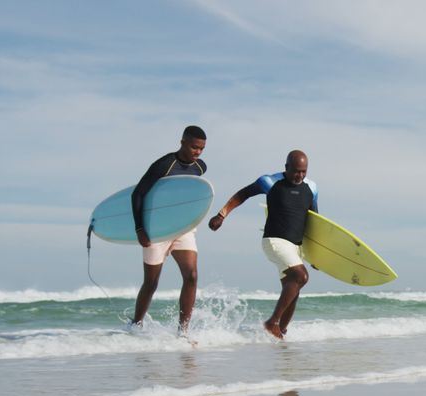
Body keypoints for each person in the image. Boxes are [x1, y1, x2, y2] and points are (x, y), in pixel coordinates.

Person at [208, 150, 318, 339]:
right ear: (286, 168)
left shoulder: (312, 188)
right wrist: (221, 215)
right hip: (274, 240)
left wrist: (317, 256)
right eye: (296, 171)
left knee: (293, 289)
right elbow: (242, 195)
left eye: (303, 171)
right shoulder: (269, 181)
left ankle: (280, 334)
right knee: (301, 275)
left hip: (295, 247)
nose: (300, 175)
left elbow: (315, 223)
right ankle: (272, 322)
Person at [130, 125, 207, 334]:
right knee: (152, 282)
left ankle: (183, 331)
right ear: (182, 142)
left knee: (191, 275)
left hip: (183, 228)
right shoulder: (163, 165)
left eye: (201, 149)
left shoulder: (200, 168)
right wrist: (140, 228)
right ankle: (135, 325)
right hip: (157, 229)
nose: (197, 152)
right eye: (194, 147)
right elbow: (138, 194)